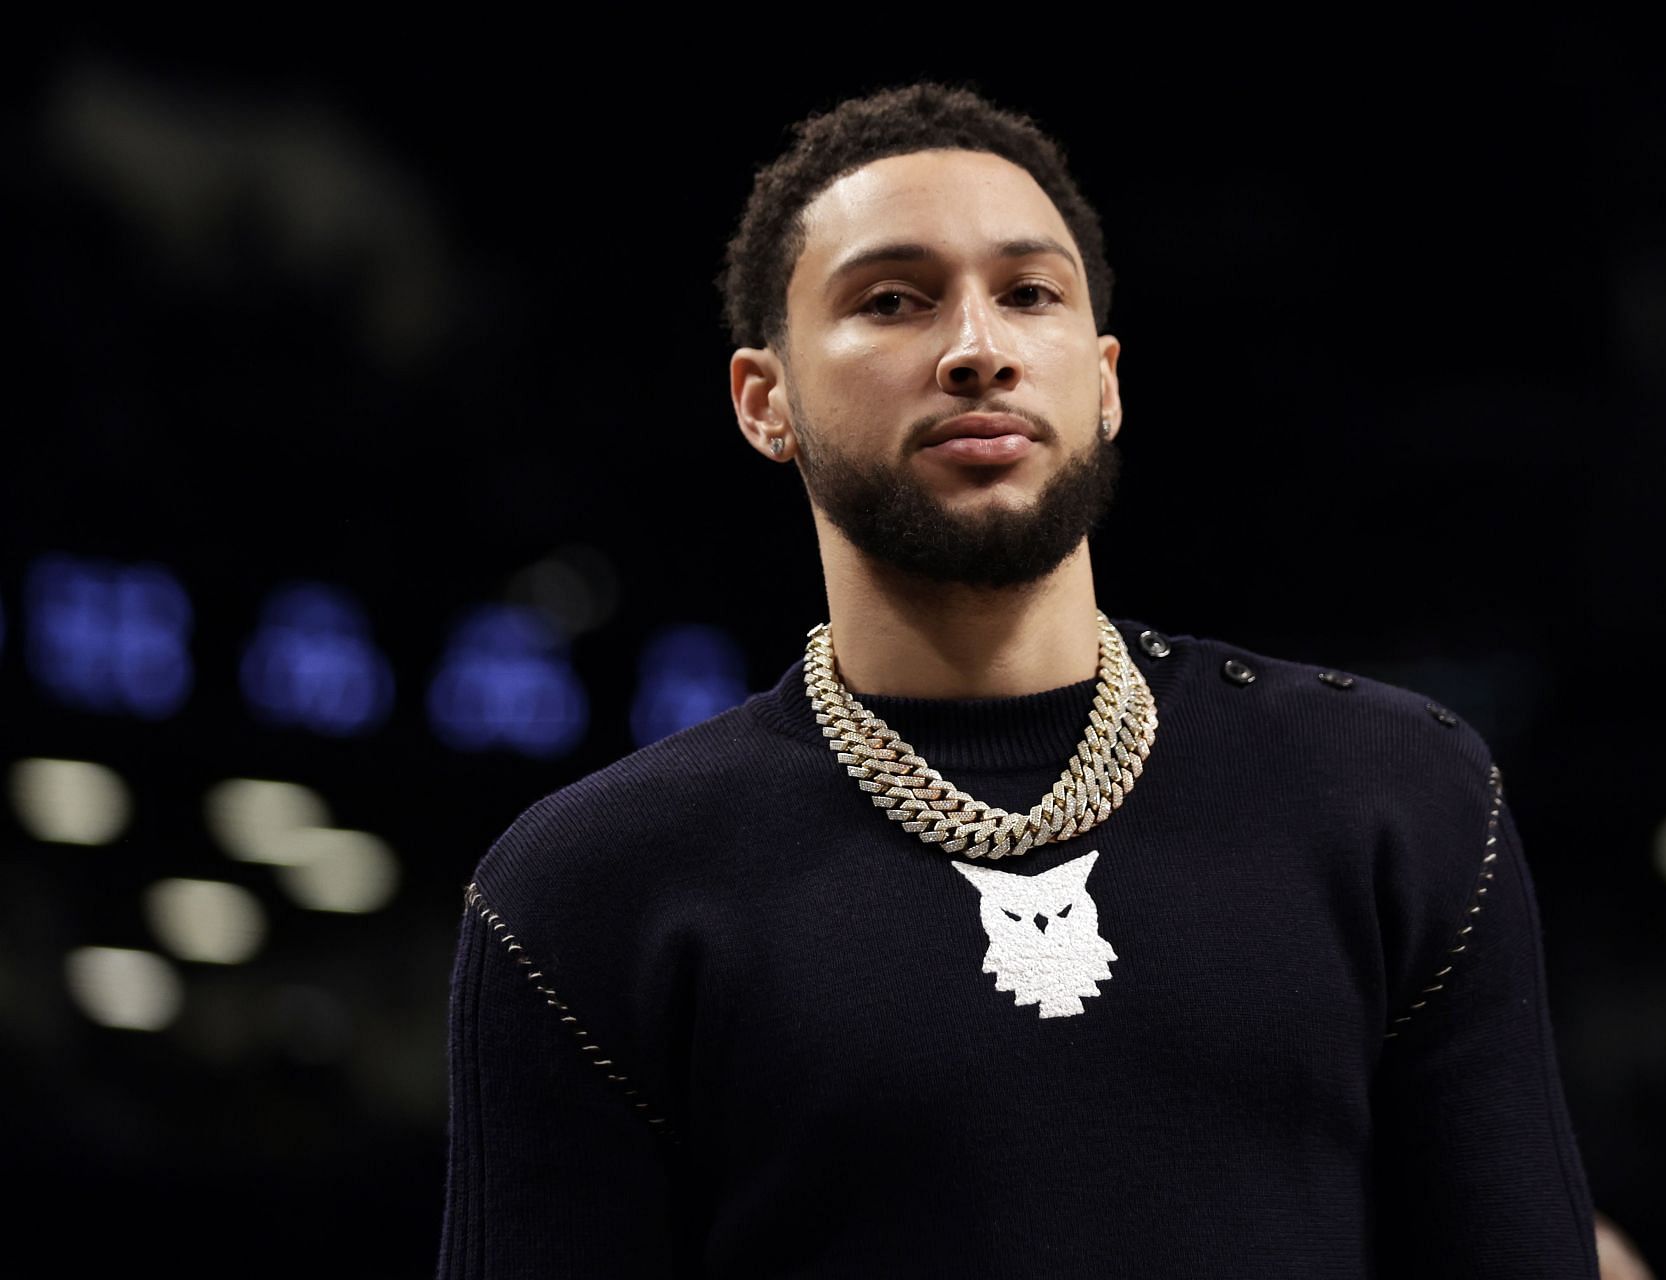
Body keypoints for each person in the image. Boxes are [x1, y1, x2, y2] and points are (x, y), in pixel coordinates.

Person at [436, 81, 1604, 1277]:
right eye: (893, 300)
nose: (977, 349)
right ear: (763, 401)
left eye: (1029, 293)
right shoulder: (585, 890)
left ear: (1102, 381)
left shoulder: (1398, 796)